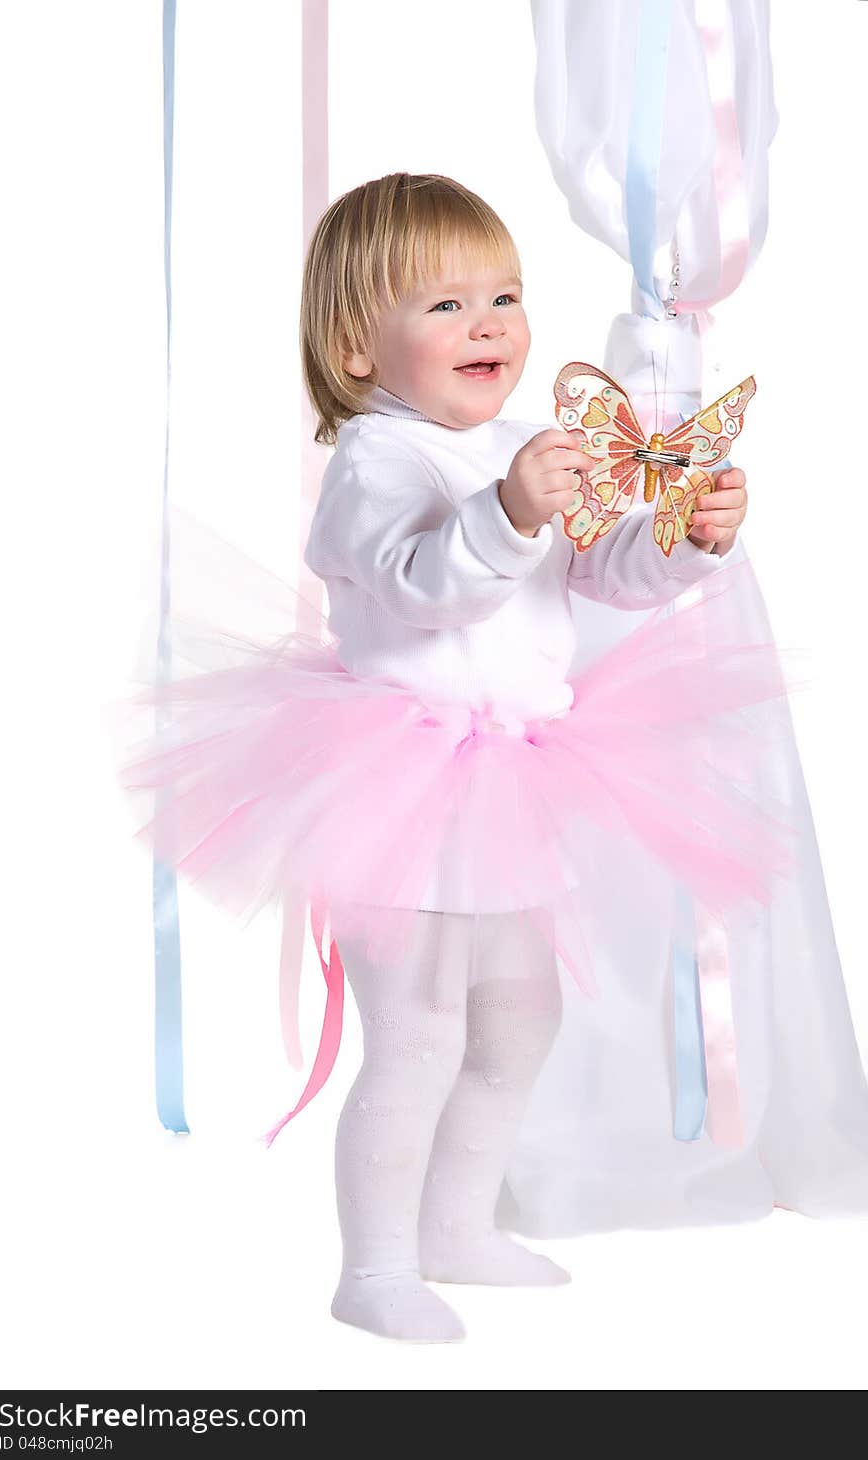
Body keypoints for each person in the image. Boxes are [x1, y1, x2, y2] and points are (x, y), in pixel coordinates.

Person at [113, 173, 862, 1344]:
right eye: (447, 305)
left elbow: (594, 578)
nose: (490, 325)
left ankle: (458, 1224)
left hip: (519, 769)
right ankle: (375, 1265)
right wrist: (508, 511)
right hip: (396, 777)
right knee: (415, 1033)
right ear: (358, 346)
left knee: (518, 1019)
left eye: (504, 296)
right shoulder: (374, 462)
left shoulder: (521, 443)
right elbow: (423, 591)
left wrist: (683, 544)